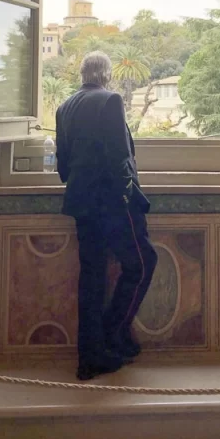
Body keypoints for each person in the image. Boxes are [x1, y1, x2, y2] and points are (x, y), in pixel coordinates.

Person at [55, 51, 157, 381]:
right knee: (142, 263)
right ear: (107, 75)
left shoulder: (64, 107)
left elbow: (63, 168)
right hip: (113, 203)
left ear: (83, 74)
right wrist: (133, 199)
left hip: (81, 203)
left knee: (92, 278)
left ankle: (91, 354)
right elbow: (121, 159)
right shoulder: (111, 100)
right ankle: (114, 332)